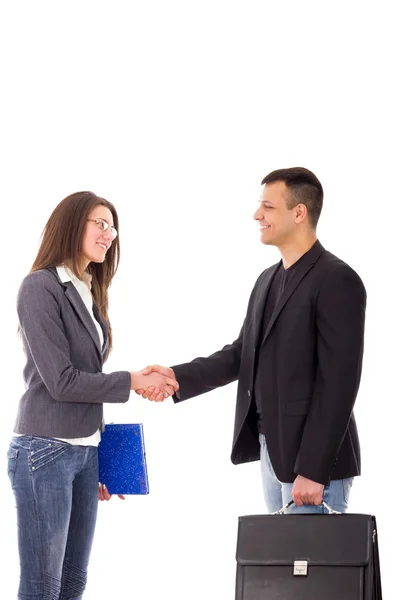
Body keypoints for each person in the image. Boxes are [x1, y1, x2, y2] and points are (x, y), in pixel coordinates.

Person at [138, 167, 366, 514]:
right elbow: (241, 354)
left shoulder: (338, 280)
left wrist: (313, 469)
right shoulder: (267, 280)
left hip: (313, 465)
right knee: (281, 567)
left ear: (299, 212)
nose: (257, 215)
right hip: (272, 452)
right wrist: (175, 376)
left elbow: (339, 384)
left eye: (268, 207)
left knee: (315, 566)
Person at [7, 191, 179, 600]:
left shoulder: (88, 289)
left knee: (72, 583)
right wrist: (134, 380)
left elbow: (88, 375)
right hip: (43, 451)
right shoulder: (40, 287)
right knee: (42, 587)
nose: (109, 234)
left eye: (112, 226)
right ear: (70, 225)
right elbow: (63, 381)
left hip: (84, 452)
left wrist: (98, 451)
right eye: (99, 224)